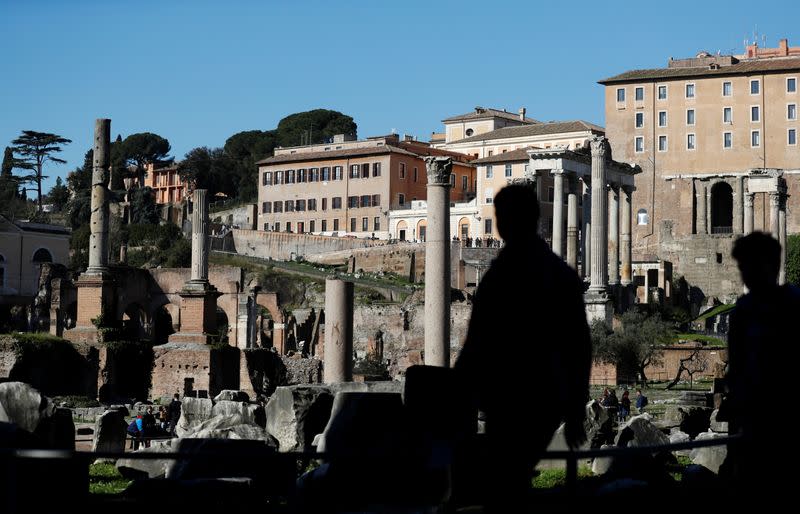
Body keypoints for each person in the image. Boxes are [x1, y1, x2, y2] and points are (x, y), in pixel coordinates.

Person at [455, 183, 592, 512]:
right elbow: (580, 347)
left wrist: (453, 391)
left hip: (509, 398)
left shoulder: (500, 278)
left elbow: (475, 346)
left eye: (501, 216)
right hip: (547, 399)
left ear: (503, 223)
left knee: (500, 485)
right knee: (509, 482)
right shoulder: (561, 275)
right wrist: (574, 412)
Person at [722, 232, 800, 498]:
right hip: (752, 415)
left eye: (749, 266)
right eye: (743, 267)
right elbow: (737, 367)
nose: (745, 274)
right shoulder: (743, 310)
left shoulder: (793, 306)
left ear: (770, 265)